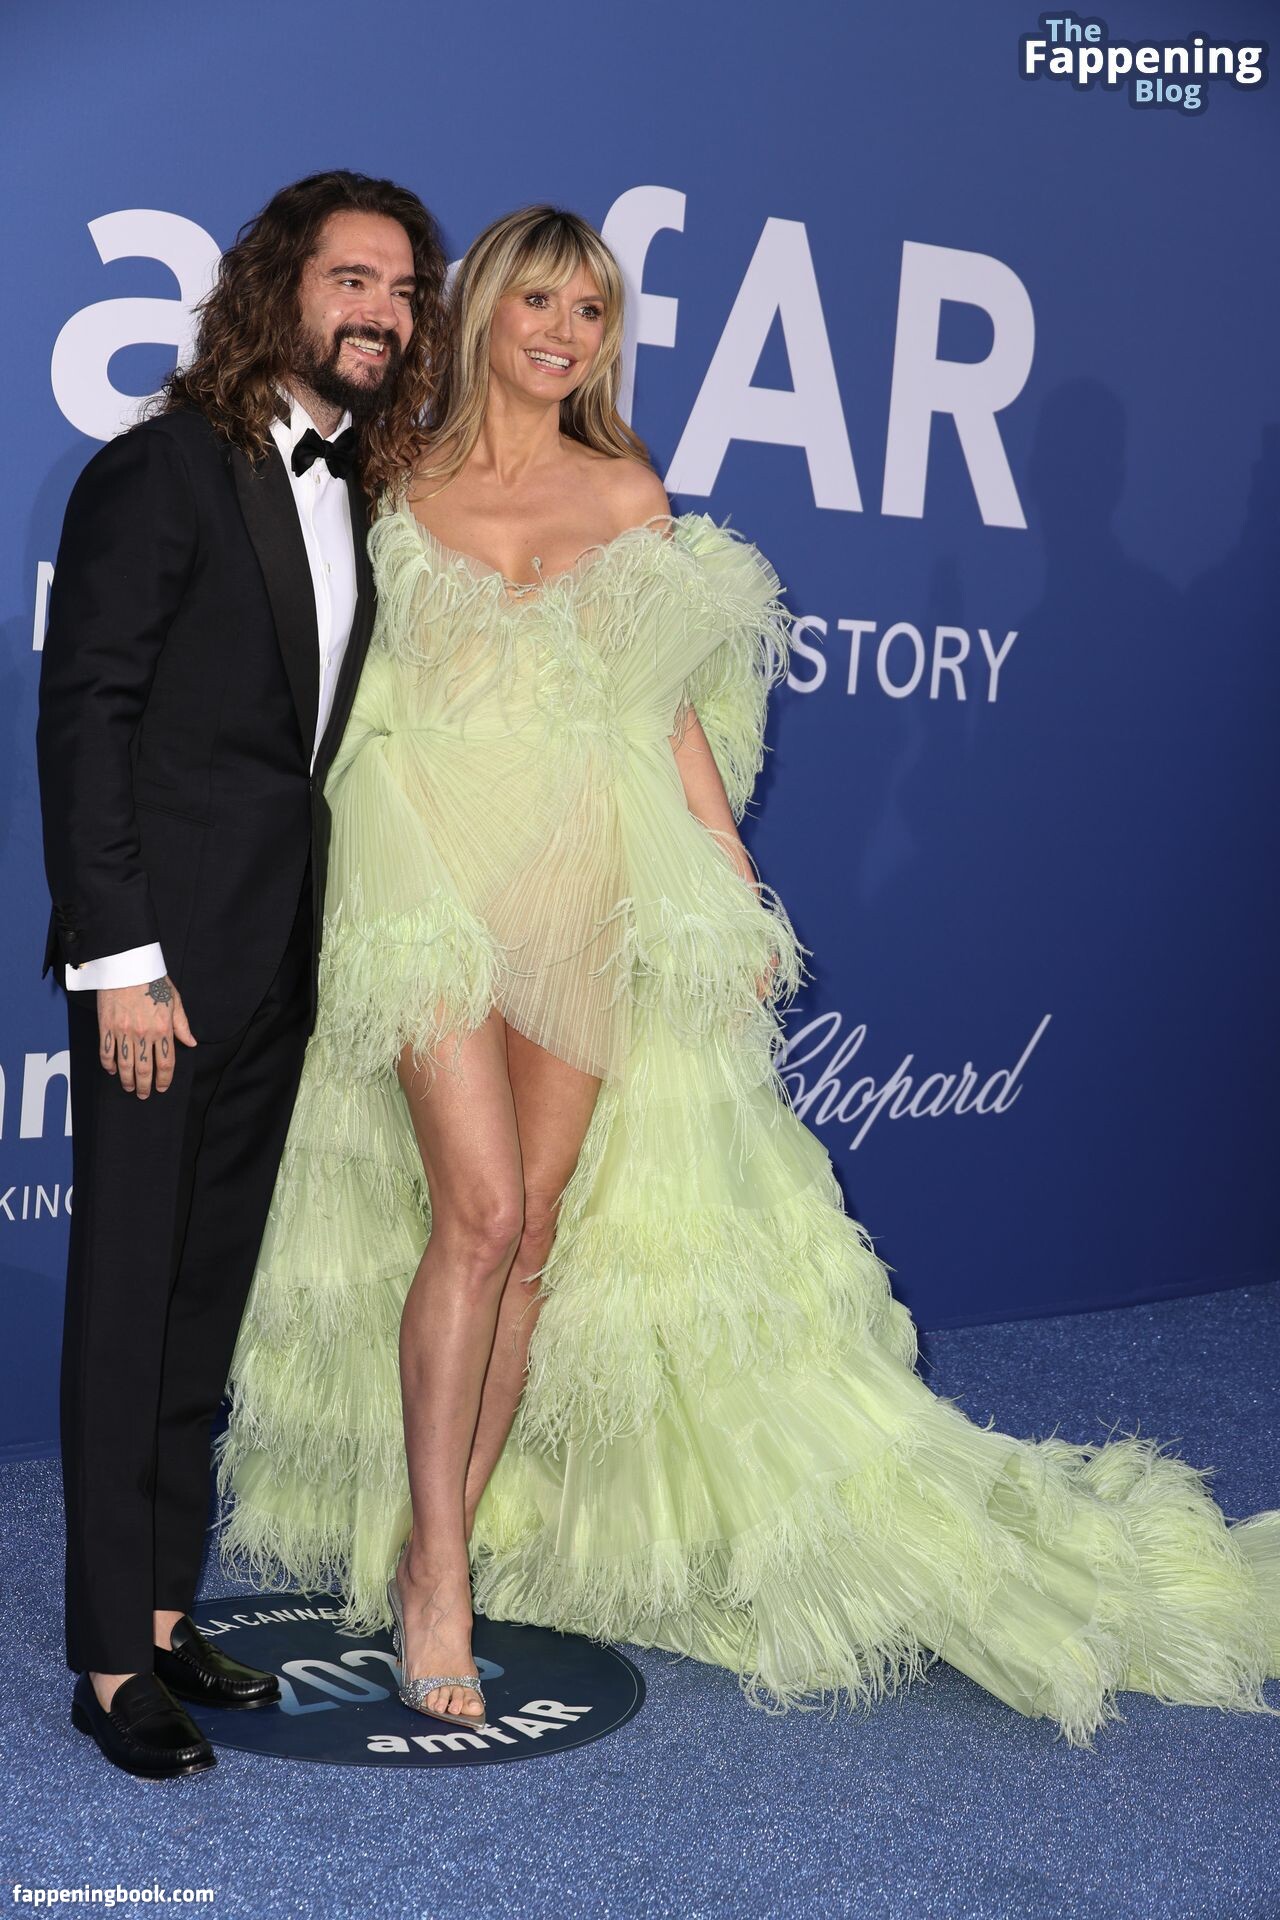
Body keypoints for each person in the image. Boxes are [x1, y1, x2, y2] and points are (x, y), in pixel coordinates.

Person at [219, 206, 1280, 1745]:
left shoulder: (627, 491)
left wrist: (722, 877)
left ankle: (445, 1533)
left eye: (593, 311)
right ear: (483, 311)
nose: (566, 333)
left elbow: (659, 712)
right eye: (541, 301)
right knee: (481, 1211)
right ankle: (436, 1574)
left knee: (535, 1236)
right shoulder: (389, 470)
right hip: (422, 874)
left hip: (584, 877)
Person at [37, 169, 447, 1779]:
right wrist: (122, 962)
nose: (381, 313)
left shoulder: (359, 490)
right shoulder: (160, 470)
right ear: (276, 289)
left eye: (403, 291)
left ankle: (161, 1615)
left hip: (273, 960)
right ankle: (103, 1666)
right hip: (157, 972)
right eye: (353, 280)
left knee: (200, 1303)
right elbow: (88, 719)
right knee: (127, 1306)